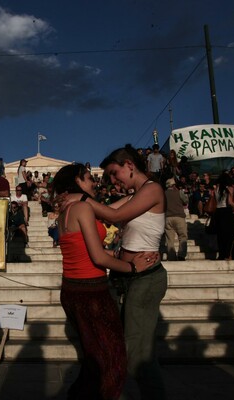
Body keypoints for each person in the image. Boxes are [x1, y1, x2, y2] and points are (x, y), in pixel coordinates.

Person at [63, 144, 167, 399]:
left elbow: (115, 213)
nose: (112, 180)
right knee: (116, 347)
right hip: (124, 276)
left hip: (144, 276)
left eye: (114, 172)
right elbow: (107, 217)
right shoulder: (135, 195)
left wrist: (82, 197)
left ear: (129, 166)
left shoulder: (153, 189)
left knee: (138, 355)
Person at [214, 172, 234, 260]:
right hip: (226, 212)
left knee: (220, 235)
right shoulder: (229, 188)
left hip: (218, 211)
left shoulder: (216, 188)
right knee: (229, 234)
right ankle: (227, 254)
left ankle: (221, 254)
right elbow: (230, 202)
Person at [164, 178, 188, 261]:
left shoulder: (163, 194)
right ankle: (181, 255)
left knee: (170, 239)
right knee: (182, 237)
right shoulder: (179, 192)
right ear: (174, 185)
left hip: (167, 218)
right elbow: (185, 201)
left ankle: (171, 256)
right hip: (179, 217)